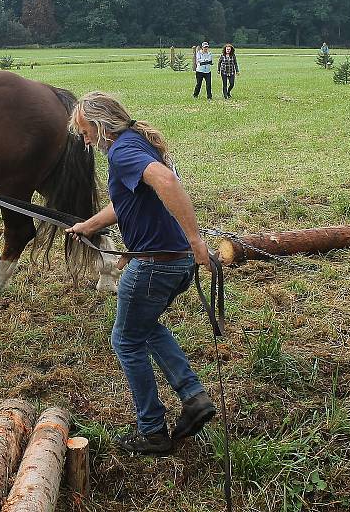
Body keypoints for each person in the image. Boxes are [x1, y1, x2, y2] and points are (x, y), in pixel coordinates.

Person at [66, 92, 216, 455]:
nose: (84, 139)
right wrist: (88, 225)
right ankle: (193, 397)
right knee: (144, 327)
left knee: (126, 340)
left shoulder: (121, 150)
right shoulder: (137, 143)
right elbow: (126, 202)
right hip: (174, 262)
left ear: (102, 125)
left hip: (155, 264)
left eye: (85, 131)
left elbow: (165, 181)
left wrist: (197, 241)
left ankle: (152, 430)